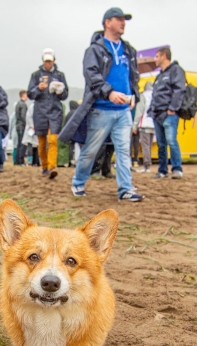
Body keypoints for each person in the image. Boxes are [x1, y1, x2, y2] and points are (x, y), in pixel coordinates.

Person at [60, 7, 142, 202]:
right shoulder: (95, 50)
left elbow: (134, 77)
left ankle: (125, 189)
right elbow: (91, 76)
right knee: (90, 150)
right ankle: (78, 182)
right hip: (101, 109)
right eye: (119, 19)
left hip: (123, 111)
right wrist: (110, 93)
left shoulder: (128, 50)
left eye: (124, 20)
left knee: (123, 151)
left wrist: (134, 97)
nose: (123, 23)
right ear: (107, 22)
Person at [28, 48, 69, 179]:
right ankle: (44, 166)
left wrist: (60, 91)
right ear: (42, 61)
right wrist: (38, 89)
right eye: (46, 61)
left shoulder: (60, 75)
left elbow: (65, 95)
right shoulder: (35, 75)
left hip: (55, 111)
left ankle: (52, 167)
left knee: (52, 140)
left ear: (54, 60)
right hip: (40, 111)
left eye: (50, 61)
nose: (48, 64)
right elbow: (30, 94)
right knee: (41, 142)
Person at [149, 47, 187, 179]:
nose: (155, 59)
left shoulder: (176, 70)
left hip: (169, 113)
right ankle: (162, 170)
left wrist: (173, 108)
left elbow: (179, 89)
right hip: (157, 114)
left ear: (164, 56)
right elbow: (155, 94)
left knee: (171, 141)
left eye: (157, 56)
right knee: (161, 144)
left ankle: (177, 169)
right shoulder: (159, 76)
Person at [133, 81, 155, 173]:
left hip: (144, 123)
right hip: (153, 124)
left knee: (145, 146)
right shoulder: (155, 95)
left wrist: (135, 125)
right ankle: (148, 165)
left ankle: (146, 166)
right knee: (149, 146)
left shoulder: (144, 95)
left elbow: (139, 111)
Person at [23, 95, 39, 166]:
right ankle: (30, 161)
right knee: (30, 145)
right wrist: (32, 125)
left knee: (36, 146)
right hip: (31, 129)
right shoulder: (32, 106)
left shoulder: (39, 106)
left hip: (37, 128)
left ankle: (36, 162)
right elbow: (29, 117)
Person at [14, 91, 29, 165]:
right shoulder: (23, 105)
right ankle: (21, 161)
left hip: (18, 126)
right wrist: (28, 124)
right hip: (22, 126)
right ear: (23, 95)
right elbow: (23, 116)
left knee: (19, 144)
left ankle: (17, 160)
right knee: (22, 144)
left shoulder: (18, 104)